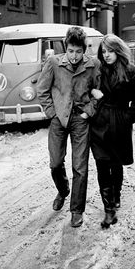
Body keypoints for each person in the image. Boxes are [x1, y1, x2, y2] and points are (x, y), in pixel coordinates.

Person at [37, 26, 100, 228]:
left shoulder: (93, 65)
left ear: (84, 49)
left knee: (80, 167)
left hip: (80, 120)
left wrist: (88, 111)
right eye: (71, 51)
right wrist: (51, 113)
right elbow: (42, 89)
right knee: (55, 163)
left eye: (78, 51)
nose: (74, 56)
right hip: (58, 119)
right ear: (66, 48)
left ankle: (76, 211)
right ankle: (63, 190)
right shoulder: (54, 62)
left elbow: (99, 92)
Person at [90, 34, 135, 229]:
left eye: (110, 51)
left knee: (115, 163)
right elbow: (87, 87)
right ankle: (109, 209)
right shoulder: (98, 70)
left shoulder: (131, 71)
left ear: (118, 50)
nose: (106, 55)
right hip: (98, 123)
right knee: (101, 163)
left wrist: (128, 118)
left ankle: (116, 196)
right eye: (103, 51)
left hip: (118, 124)